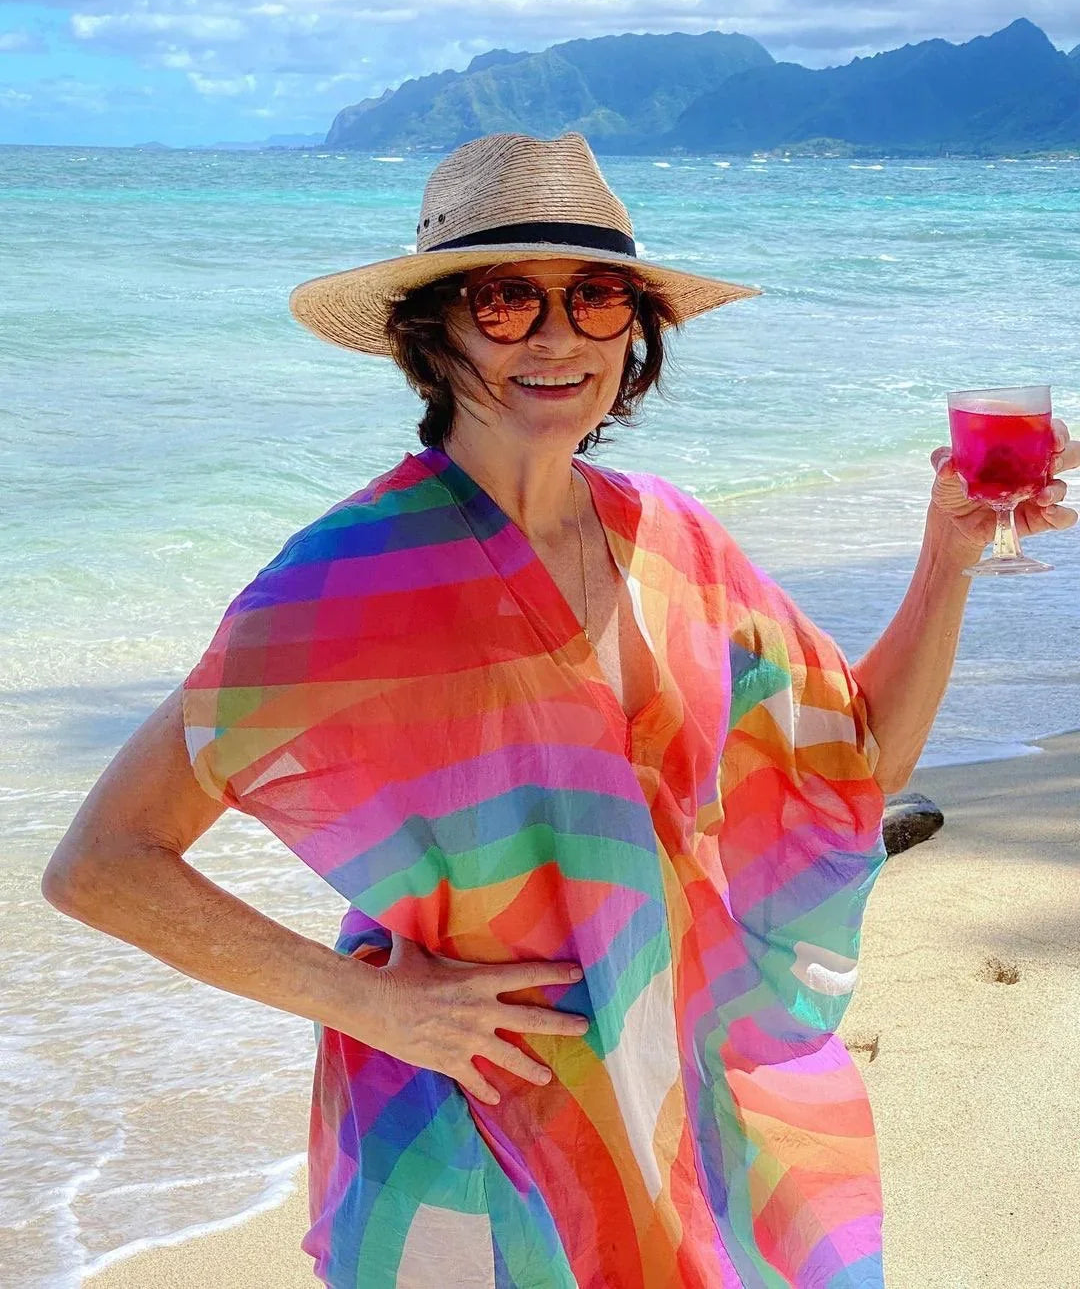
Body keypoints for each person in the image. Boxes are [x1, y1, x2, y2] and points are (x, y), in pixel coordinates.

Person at [43, 132, 1077, 1289]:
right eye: (505, 299)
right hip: (477, 1145)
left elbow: (856, 765)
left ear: (634, 332)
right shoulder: (352, 580)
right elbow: (102, 863)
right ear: (429, 333)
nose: (556, 337)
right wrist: (369, 1005)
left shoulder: (674, 539)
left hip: (689, 1115)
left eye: (595, 298)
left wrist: (948, 557)